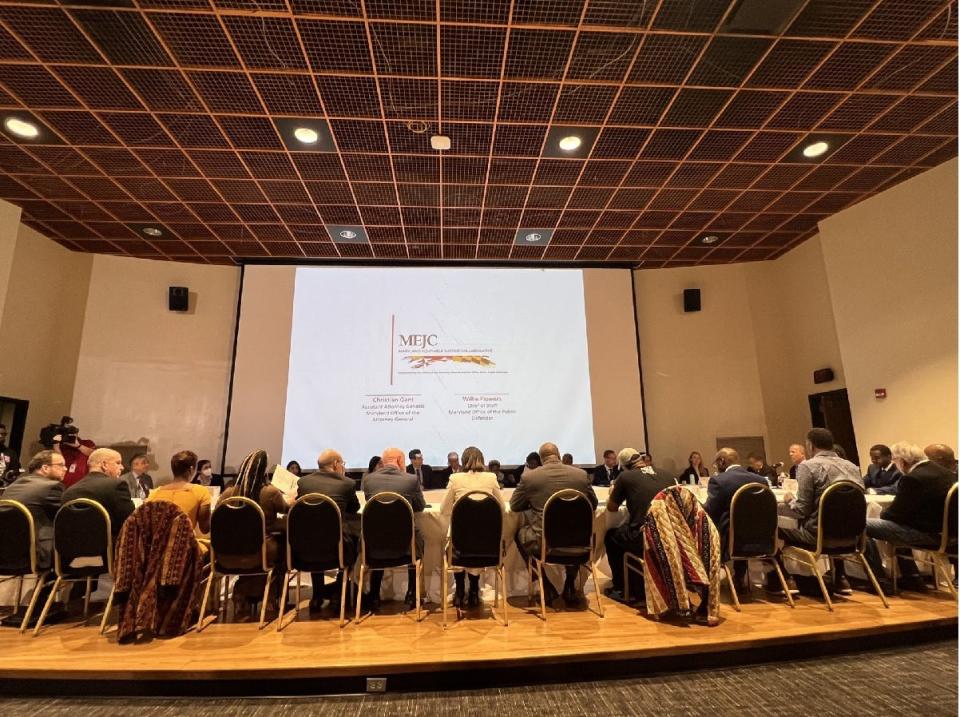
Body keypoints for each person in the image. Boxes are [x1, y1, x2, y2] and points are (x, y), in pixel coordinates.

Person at [768, 428, 863, 597]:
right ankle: (840, 577)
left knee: (772, 528)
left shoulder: (808, 467)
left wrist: (790, 499)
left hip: (817, 536)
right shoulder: (852, 467)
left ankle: (783, 578)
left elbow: (801, 510)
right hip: (853, 538)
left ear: (810, 446)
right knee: (832, 520)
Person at [510, 442, 597, 607]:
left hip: (545, 544)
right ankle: (570, 584)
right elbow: (592, 504)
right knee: (576, 531)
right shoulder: (581, 475)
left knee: (518, 533)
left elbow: (515, 506)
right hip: (581, 543)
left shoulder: (530, 477)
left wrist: (533, 503)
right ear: (558, 454)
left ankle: (545, 585)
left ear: (541, 459)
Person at [864, 442, 956, 592]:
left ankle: (879, 581)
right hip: (950, 534)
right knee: (899, 526)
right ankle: (912, 576)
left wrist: (882, 513)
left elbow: (894, 515)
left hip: (927, 535)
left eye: (896, 461)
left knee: (862, 524)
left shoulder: (913, 478)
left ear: (903, 462)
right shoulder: (946, 473)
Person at [220, 450, 291, 616]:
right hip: (261, 552)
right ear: (263, 471)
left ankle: (242, 593)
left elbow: (217, 520)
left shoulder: (228, 494)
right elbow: (286, 509)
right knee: (285, 549)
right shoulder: (270, 493)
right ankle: (271, 597)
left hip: (226, 555)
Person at [1, 450, 67, 627]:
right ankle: (46, 607)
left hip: (7, 554)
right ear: (45, 468)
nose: (65, 469)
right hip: (36, 554)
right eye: (61, 465)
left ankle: (41, 606)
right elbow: (67, 517)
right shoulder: (51, 487)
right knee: (74, 548)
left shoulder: (12, 487)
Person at [604, 448, 674, 603]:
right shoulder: (668, 475)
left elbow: (612, 508)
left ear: (624, 466)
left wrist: (614, 492)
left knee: (611, 537)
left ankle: (622, 588)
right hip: (671, 535)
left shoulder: (626, 477)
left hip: (645, 535)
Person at [361, 447, 426, 611]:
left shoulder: (368, 480)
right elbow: (420, 506)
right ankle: (412, 593)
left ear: (383, 462)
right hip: (404, 546)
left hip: (374, 546)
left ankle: (374, 595)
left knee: (380, 533)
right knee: (416, 538)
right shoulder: (410, 479)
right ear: (401, 462)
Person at [440, 446, 503, 608]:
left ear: (462, 461)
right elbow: (501, 508)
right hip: (488, 544)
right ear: (482, 460)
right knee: (476, 536)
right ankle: (474, 591)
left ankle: (460, 590)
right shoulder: (491, 477)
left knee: (457, 539)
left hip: (460, 544)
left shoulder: (455, 478)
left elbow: (444, 510)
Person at [297, 449, 360, 610]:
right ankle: (339, 591)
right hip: (336, 548)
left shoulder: (304, 483)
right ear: (335, 464)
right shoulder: (347, 483)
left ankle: (317, 594)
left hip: (304, 548)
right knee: (355, 539)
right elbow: (354, 508)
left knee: (314, 534)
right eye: (342, 463)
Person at [704, 448, 768, 593]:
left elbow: (710, 512)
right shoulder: (761, 480)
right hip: (762, 538)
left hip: (731, 540)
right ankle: (740, 576)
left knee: (706, 527)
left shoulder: (719, 481)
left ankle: (703, 581)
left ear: (721, 461)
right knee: (743, 521)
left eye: (716, 464)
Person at [61, 448, 134, 537]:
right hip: (107, 547)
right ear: (104, 465)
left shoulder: (69, 491)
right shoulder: (117, 485)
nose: (122, 467)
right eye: (118, 463)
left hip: (71, 546)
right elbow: (130, 520)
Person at [146, 450, 211, 534]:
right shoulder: (201, 491)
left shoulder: (154, 493)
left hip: (157, 544)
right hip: (185, 544)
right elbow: (205, 529)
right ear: (191, 469)